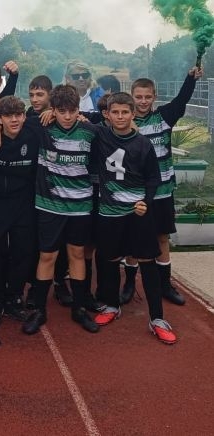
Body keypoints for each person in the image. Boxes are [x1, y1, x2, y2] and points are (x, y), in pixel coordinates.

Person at [91, 92, 176, 344]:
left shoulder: (143, 144)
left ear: (132, 114)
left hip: (137, 213)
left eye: (125, 112)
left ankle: (157, 318)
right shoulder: (99, 135)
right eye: (115, 112)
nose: (120, 117)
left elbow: (153, 178)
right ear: (107, 114)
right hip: (109, 212)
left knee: (147, 262)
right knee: (109, 260)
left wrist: (145, 202)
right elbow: (76, 119)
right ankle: (112, 305)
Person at [121, 66, 204, 307]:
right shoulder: (123, 121)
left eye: (147, 97)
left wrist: (190, 78)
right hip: (135, 193)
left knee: (162, 237)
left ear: (154, 97)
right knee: (133, 240)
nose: (143, 101)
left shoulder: (164, 117)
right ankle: (129, 284)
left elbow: (182, 99)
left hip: (163, 191)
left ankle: (165, 284)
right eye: (138, 97)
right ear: (132, 97)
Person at [22, 84, 100, 335]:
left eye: (72, 111)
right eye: (61, 111)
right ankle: (39, 310)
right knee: (47, 256)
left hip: (80, 206)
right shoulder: (41, 127)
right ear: (53, 110)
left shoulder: (90, 131)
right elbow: (9, 120)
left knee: (77, 255)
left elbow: (112, 131)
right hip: (49, 206)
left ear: (79, 110)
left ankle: (79, 308)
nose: (67, 116)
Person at [0, 96, 40, 323]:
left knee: (22, 251)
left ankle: (14, 297)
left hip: (24, 202)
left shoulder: (33, 132)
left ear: (24, 116)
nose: (14, 120)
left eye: (18, 115)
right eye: (8, 116)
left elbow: (54, 114)